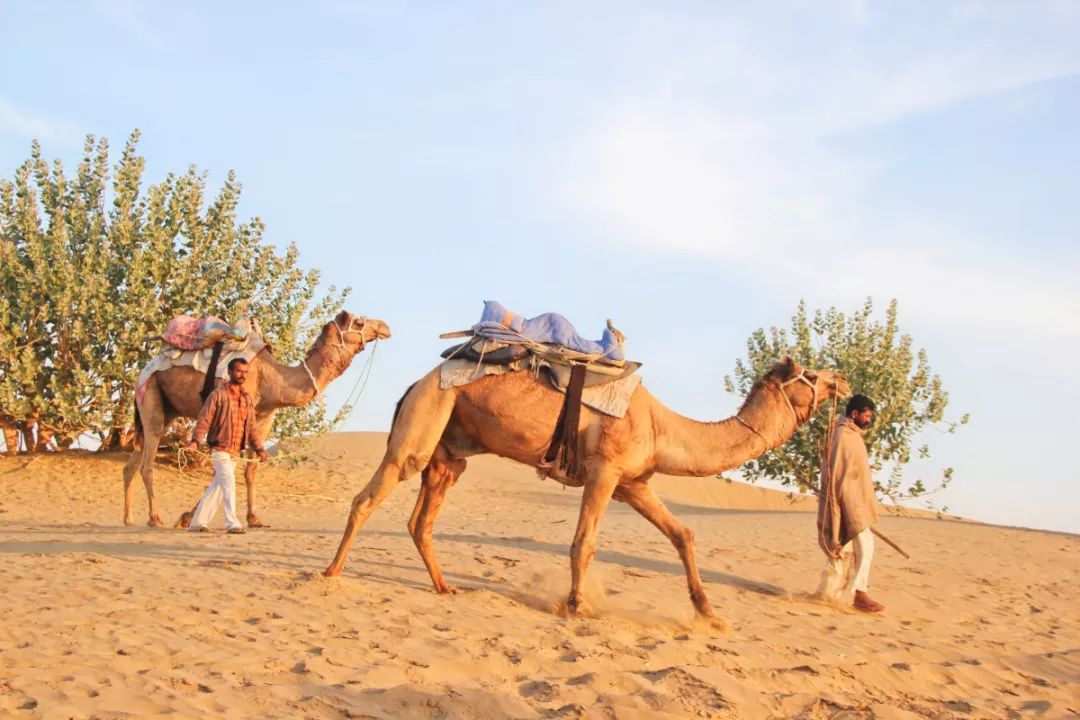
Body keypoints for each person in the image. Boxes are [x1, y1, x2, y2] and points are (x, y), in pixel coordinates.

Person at [184, 358, 269, 534]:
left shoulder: (246, 398)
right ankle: (232, 523)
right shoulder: (218, 394)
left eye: (245, 372)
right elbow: (205, 418)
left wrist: (259, 448)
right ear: (230, 372)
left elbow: (252, 426)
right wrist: (195, 440)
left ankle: (197, 523)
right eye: (239, 371)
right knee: (229, 482)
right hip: (220, 448)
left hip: (236, 451)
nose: (242, 375)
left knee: (217, 488)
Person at [817, 393, 884, 612]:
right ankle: (859, 594)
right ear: (854, 414)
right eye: (866, 415)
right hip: (844, 501)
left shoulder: (853, 434)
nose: (869, 420)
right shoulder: (842, 435)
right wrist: (845, 503)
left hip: (854, 501)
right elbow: (838, 473)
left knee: (842, 548)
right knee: (864, 544)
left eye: (870, 415)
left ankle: (828, 595)